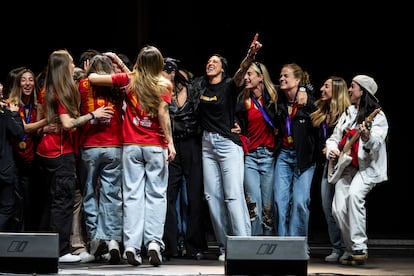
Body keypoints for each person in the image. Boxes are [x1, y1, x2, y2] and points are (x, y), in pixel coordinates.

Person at [88, 45, 176, 267]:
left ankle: (131, 246)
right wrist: (171, 143)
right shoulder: (164, 84)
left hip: (131, 146)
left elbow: (95, 79)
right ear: (158, 64)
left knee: (132, 196)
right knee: (156, 195)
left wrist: (105, 65)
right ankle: (154, 243)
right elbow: (163, 114)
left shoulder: (129, 80)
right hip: (155, 145)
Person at [36, 49, 114, 263]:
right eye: (71, 62)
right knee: (63, 201)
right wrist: (92, 115)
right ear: (63, 66)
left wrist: (47, 126)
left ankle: (60, 247)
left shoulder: (46, 89)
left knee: (57, 201)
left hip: (48, 151)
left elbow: (46, 121)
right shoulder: (61, 91)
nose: (74, 65)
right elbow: (69, 124)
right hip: (61, 152)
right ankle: (61, 251)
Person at [192, 35, 261, 261]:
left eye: (215, 61)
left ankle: (243, 245)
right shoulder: (200, 86)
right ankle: (225, 247)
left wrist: (250, 55)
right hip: (206, 145)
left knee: (233, 195)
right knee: (211, 197)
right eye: (208, 61)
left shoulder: (230, 85)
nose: (210, 63)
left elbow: (242, 72)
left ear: (223, 68)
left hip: (227, 145)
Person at [325, 74, 388, 265]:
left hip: (367, 169)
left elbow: (376, 143)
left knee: (354, 196)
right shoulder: (348, 112)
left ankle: (360, 246)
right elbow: (334, 138)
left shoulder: (378, 116)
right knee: (337, 209)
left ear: (363, 91)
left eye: (353, 87)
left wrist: (367, 136)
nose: (349, 90)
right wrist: (332, 150)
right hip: (346, 166)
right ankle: (352, 250)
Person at [78, 54, 124, 264]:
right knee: (111, 194)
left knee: (89, 193)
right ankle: (113, 239)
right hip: (114, 145)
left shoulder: (83, 84)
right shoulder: (117, 86)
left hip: (89, 145)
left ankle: (96, 238)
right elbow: (132, 78)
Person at [161, 58, 208, 261]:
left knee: (195, 195)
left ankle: (194, 245)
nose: (165, 74)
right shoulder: (159, 91)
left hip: (192, 143)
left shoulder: (193, 88)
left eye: (168, 70)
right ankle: (170, 244)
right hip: (171, 145)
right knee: (168, 195)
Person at [273, 63, 318, 244]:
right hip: (284, 155)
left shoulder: (309, 102)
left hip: (304, 158)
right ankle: (283, 244)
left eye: (286, 76)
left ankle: (296, 245)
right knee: (279, 202)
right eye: (281, 76)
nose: (282, 79)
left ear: (297, 80)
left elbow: (319, 131)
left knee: (300, 202)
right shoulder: (279, 101)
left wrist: (304, 88)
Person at [234, 61, 279, 236]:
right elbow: (238, 122)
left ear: (261, 77)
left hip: (269, 156)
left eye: (250, 74)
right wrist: (238, 128)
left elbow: (298, 88)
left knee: (268, 206)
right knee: (253, 204)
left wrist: (305, 90)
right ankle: (255, 243)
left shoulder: (274, 96)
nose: (246, 77)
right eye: (245, 74)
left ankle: (268, 244)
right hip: (250, 157)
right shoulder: (242, 100)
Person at [310, 76, 351, 262]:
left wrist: (336, 149)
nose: (321, 89)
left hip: (344, 166)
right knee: (327, 207)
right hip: (326, 165)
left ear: (336, 90)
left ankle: (349, 247)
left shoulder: (348, 114)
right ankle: (337, 247)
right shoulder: (320, 112)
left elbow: (351, 139)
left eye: (326, 86)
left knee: (341, 208)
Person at [7, 67, 48, 231]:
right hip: (15, 159)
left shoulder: (36, 104)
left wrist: (42, 120)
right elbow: (23, 128)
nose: (28, 83)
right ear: (18, 83)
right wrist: (47, 121)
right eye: (24, 80)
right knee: (17, 201)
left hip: (32, 159)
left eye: (30, 79)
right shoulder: (12, 104)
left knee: (32, 200)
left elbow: (37, 131)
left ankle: (31, 234)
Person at [0, 99, 25, 231]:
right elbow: (19, 133)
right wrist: (15, 114)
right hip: (3, 169)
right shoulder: (4, 112)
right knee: (7, 206)